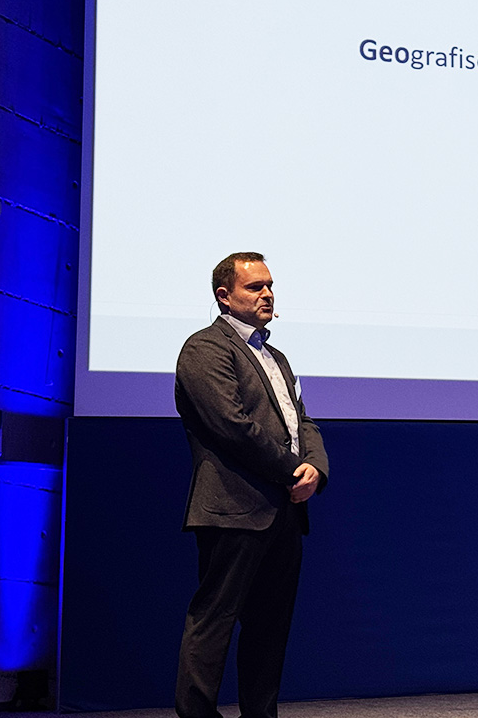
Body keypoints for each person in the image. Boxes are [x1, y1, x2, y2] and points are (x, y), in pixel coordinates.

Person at [174, 252, 329, 718]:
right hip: (233, 508)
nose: (267, 294)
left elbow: (302, 422)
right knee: (214, 622)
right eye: (255, 287)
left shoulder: (276, 357)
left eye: (270, 285)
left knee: (269, 629)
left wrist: (315, 469)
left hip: (284, 510)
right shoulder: (205, 348)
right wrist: (292, 470)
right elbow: (233, 427)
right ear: (224, 296)